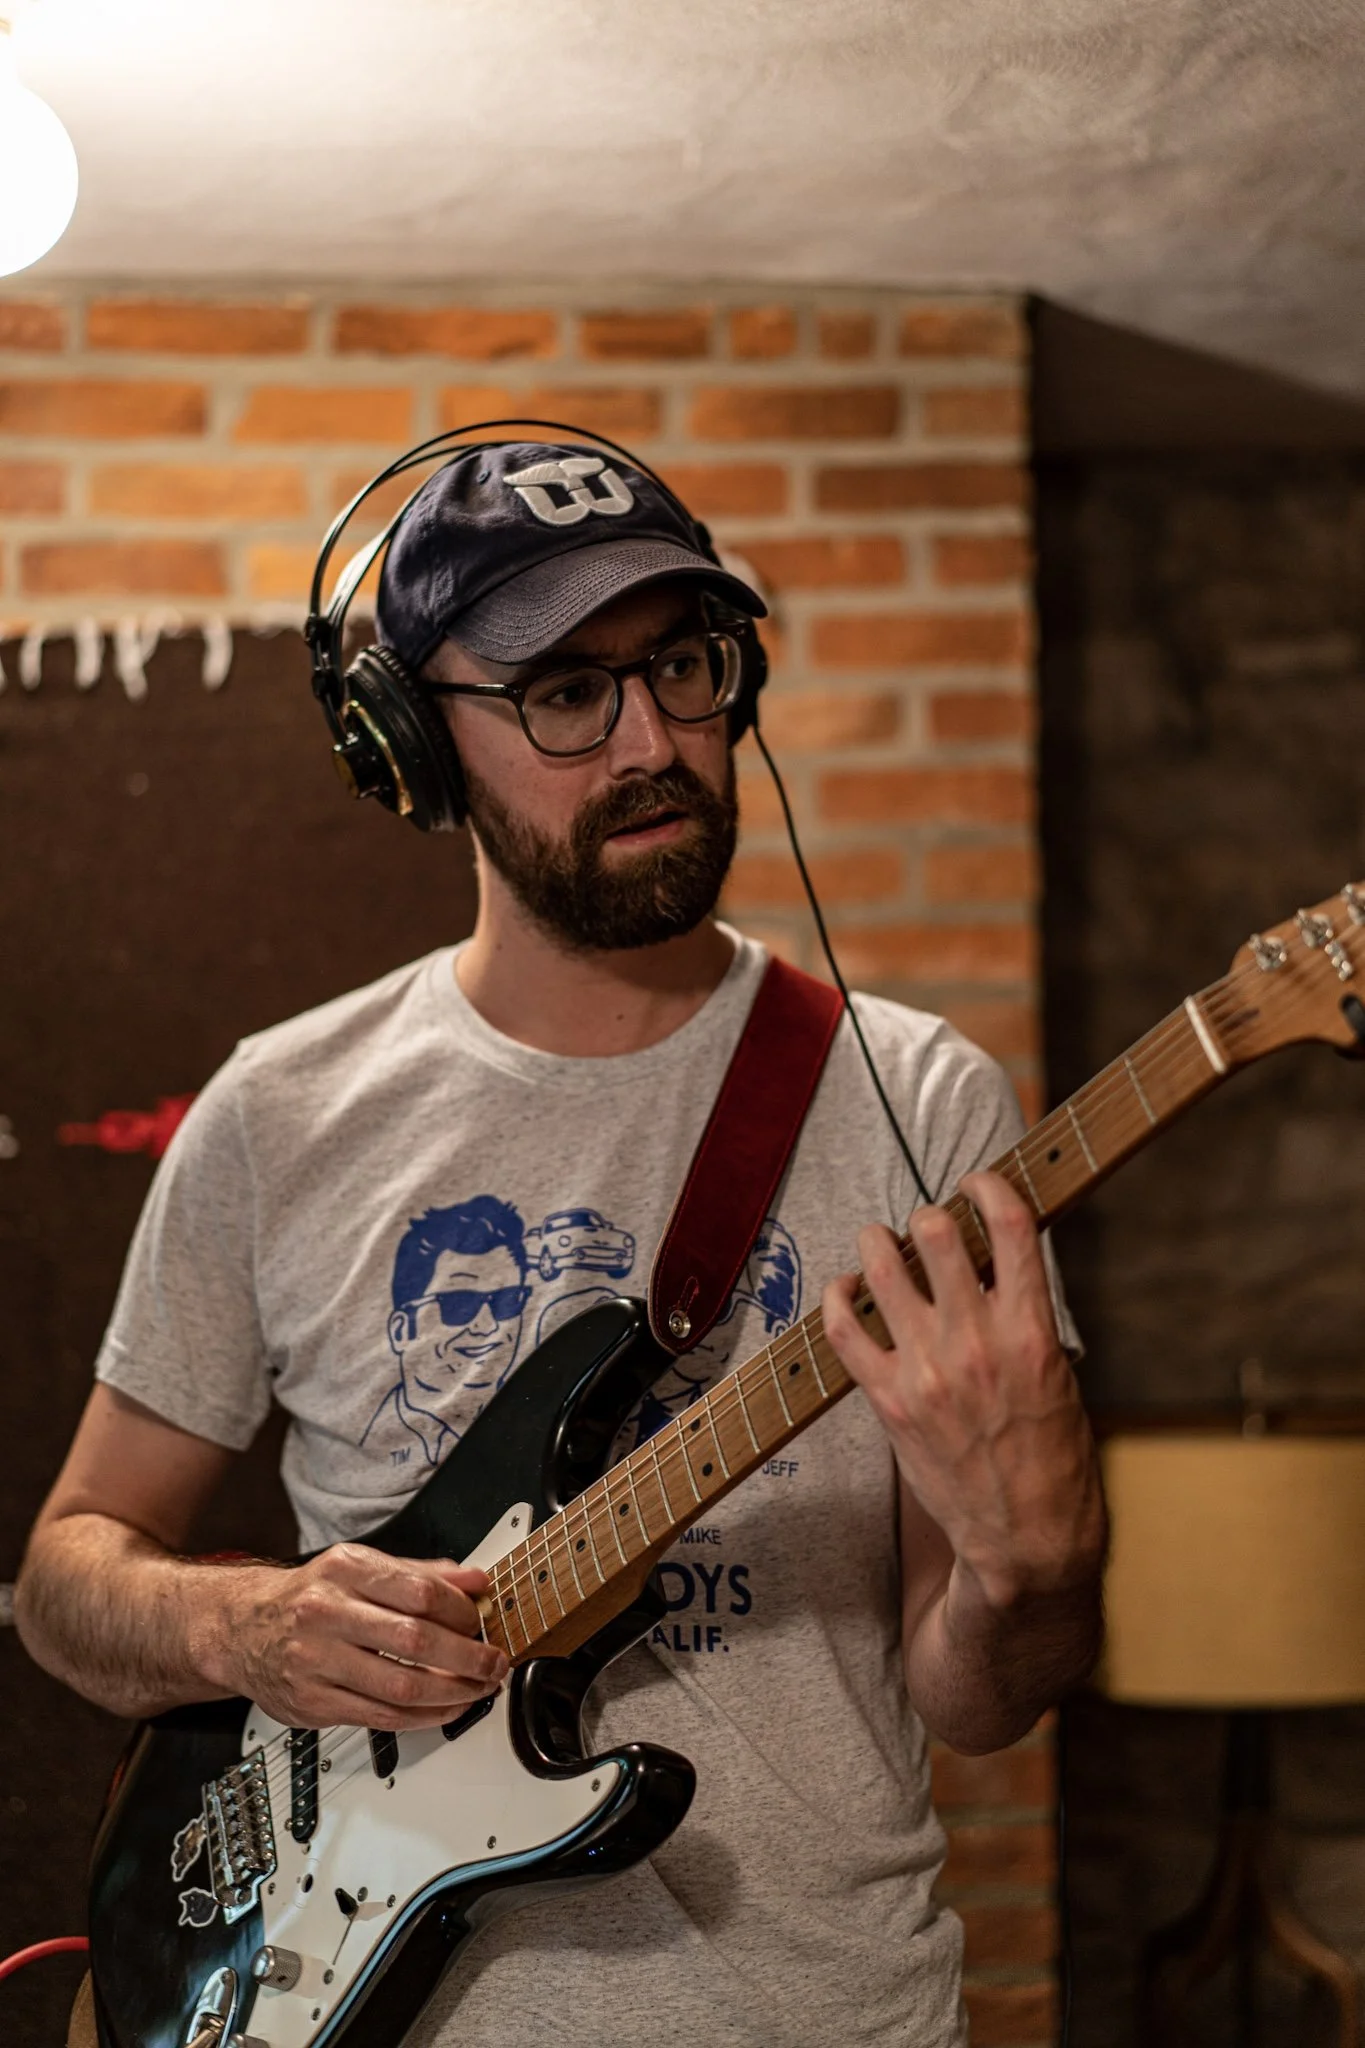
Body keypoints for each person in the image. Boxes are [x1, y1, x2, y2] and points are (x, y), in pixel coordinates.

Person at [15, 442, 1106, 2048]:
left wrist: (1035, 1563)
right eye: (562, 693)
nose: (655, 742)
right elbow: (65, 1578)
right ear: (413, 745)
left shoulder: (917, 1098)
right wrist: (252, 1626)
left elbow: (983, 1701)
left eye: (681, 666)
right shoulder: (282, 1111)